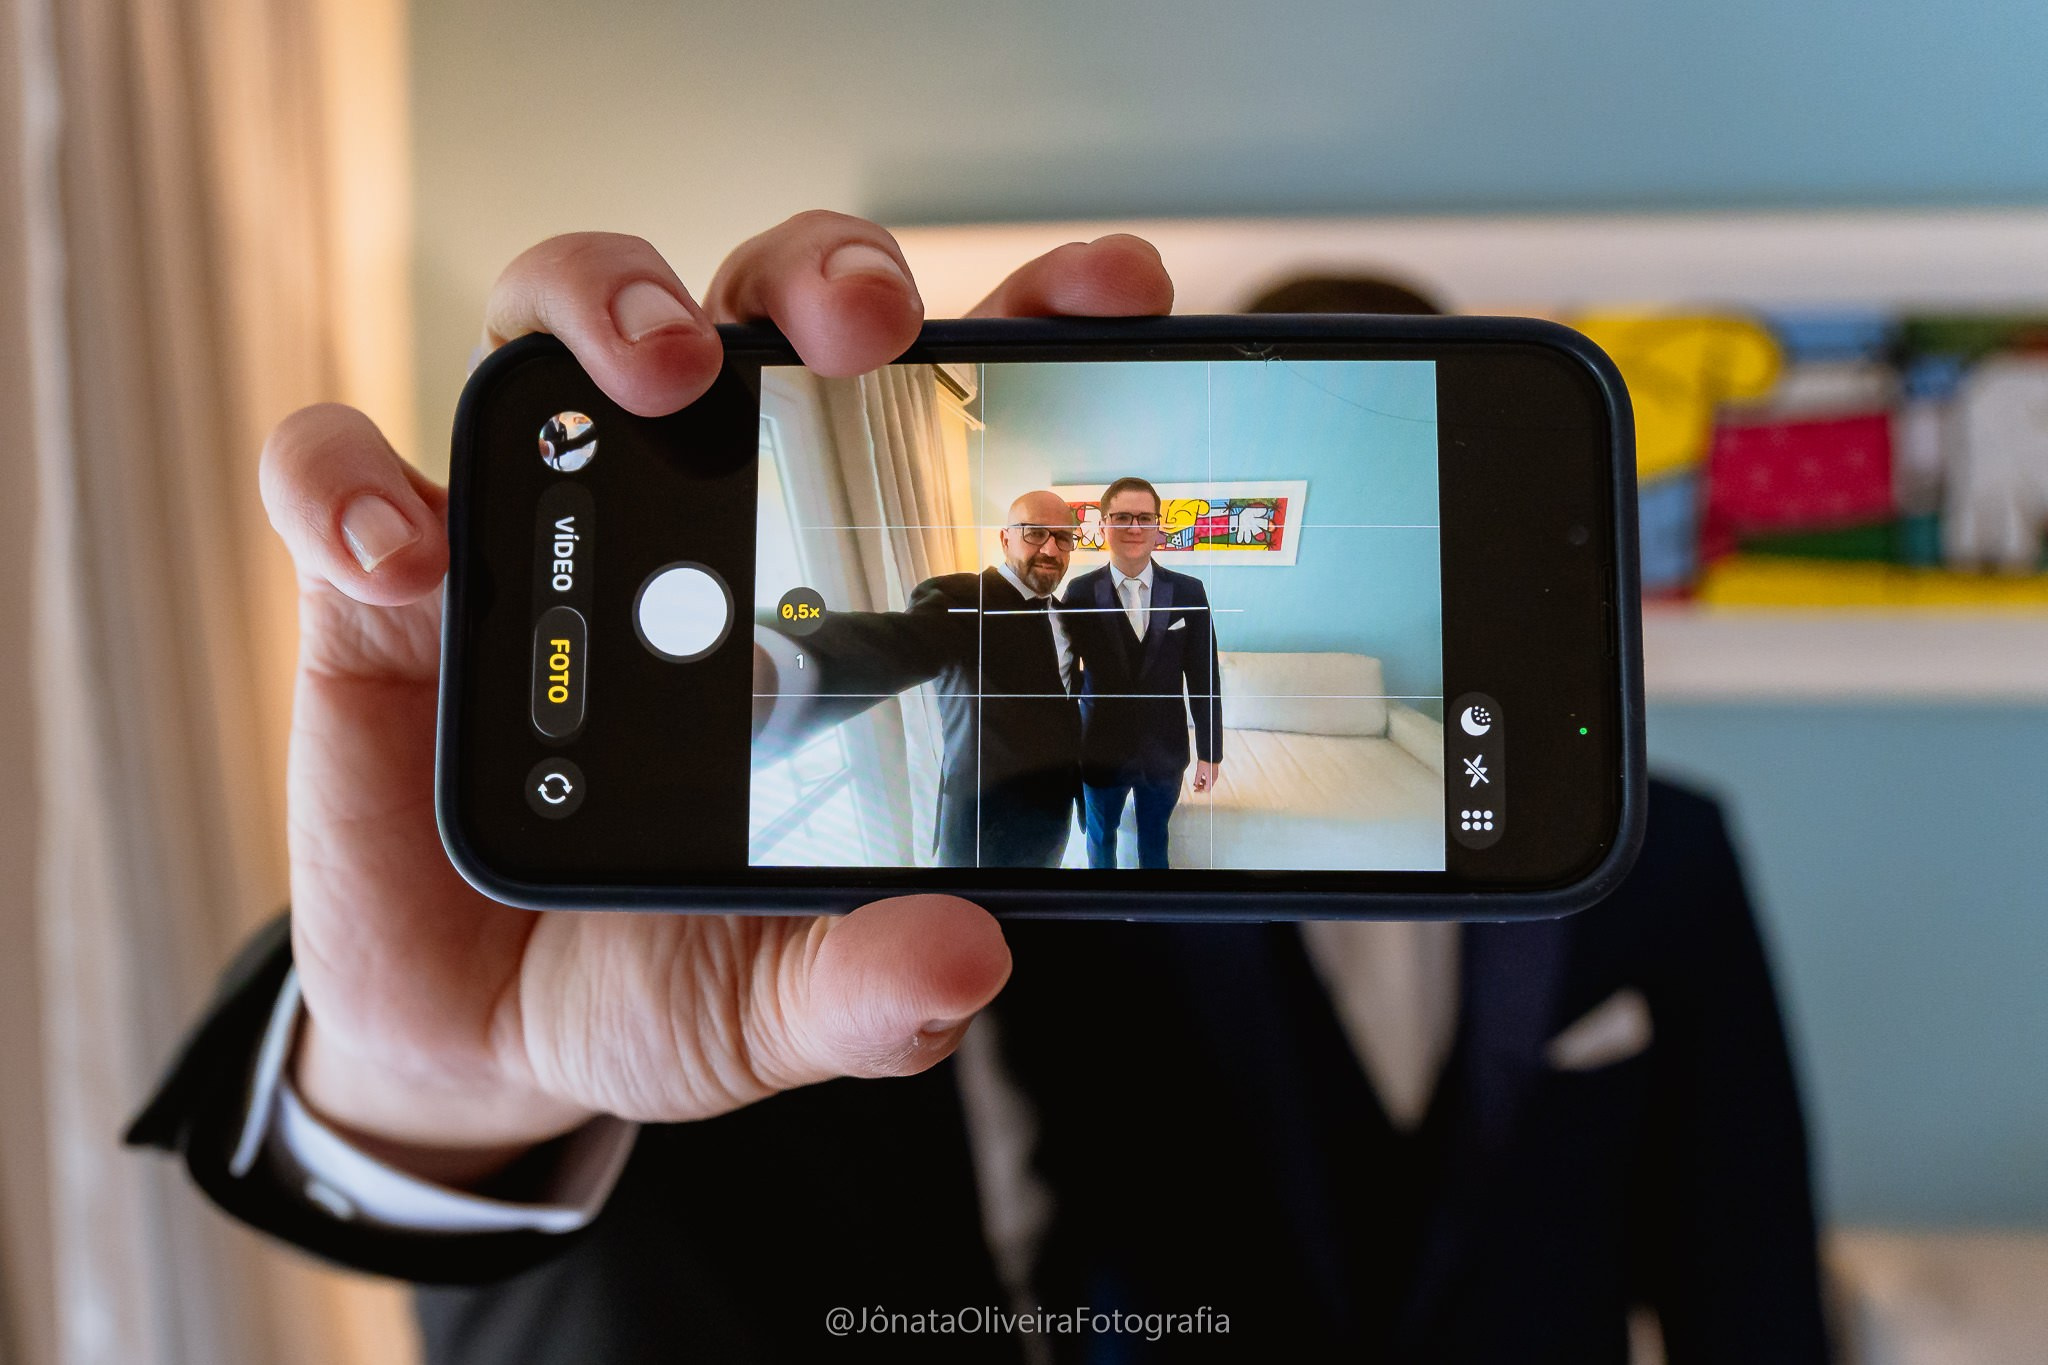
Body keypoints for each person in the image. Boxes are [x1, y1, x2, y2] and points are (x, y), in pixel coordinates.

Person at [127, 231, 1830, 1363]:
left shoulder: (1661, 856)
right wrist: (432, 1066)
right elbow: (885, 647)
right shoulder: (959, 784)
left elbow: (1742, 1251)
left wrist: (1196, 748)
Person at [759, 490, 1085, 868]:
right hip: (984, 828)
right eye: (1035, 533)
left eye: (1063, 538)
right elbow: (904, 644)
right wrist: (783, 659)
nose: (1050, 549)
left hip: (1053, 815)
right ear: (1005, 537)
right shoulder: (960, 598)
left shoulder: (1065, 615)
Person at [1060, 476, 1221, 869]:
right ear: (1103, 525)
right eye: (1122, 517)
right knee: (1099, 840)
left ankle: (1153, 917)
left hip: (1164, 751)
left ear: (1157, 525)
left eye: (1145, 517)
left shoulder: (1189, 591)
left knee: (1155, 841)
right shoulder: (1078, 592)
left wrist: (1210, 752)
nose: (1134, 527)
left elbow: (1204, 674)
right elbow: (1064, 675)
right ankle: (1104, 917)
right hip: (1098, 748)